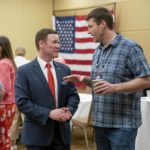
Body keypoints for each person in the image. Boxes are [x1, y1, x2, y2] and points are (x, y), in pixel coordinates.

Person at [63, 7, 150, 150]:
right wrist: (84, 79)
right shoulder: (98, 50)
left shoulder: (130, 47)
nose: (88, 31)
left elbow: (147, 80)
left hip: (122, 127)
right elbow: (102, 85)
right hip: (100, 124)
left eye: (91, 26)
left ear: (102, 24)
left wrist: (115, 87)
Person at [15, 28, 80, 150]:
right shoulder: (24, 72)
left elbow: (73, 95)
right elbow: (22, 102)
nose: (58, 46)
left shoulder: (65, 69)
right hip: (37, 136)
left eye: (59, 42)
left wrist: (69, 110)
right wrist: (49, 113)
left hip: (62, 136)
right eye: (54, 42)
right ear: (41, 44)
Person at [11, 47, 30, 150]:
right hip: (25, 96)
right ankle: (28, 143)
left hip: (13, 96)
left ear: (15, 53)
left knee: (14, 121)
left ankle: (13, 144)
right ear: (24, 53)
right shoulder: (29, 63)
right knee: (27, 119)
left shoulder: (10, 62)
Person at [0, 36, 16, 150]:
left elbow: (3, 90)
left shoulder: (3, 64)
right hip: (9, 104)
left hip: (3, 104)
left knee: (3, 137)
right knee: (5, 136)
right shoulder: (9, 61)